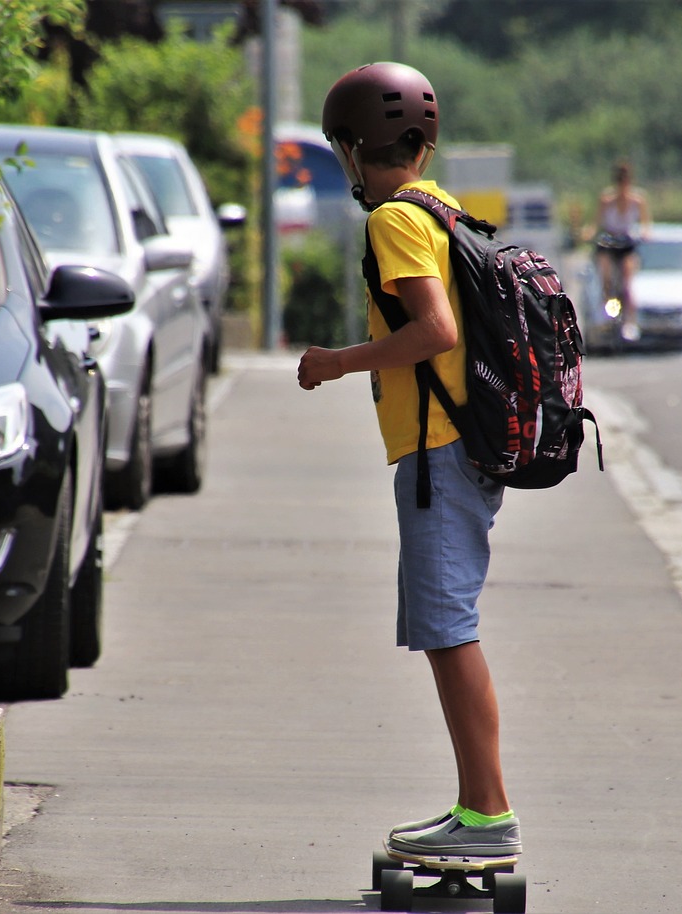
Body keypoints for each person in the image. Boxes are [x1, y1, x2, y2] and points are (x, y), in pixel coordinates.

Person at [297, 62, 520, 859]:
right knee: (445, 626)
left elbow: (435, 332)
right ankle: (476, 808)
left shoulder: (393, 220)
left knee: (448, 628)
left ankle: (489, 816)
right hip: (461, 445)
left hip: (440, 449)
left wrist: (337, 360)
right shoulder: (442, 207)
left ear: (357, 148)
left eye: (340, 150)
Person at [593, 159, 650, 342]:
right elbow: (597, 223)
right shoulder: (606, 200)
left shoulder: (638, 200)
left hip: (626, 242)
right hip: (610, 241)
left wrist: (645, 234)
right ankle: (607, 309)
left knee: (627, 281)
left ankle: (630, 321)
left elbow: (645, 225)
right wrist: (589, 233)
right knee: (607, 276)